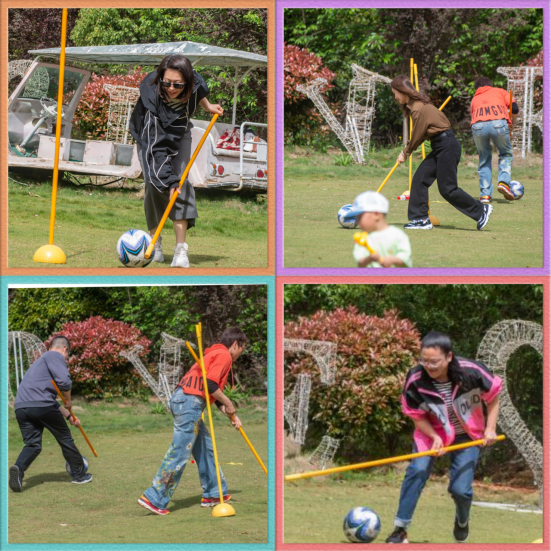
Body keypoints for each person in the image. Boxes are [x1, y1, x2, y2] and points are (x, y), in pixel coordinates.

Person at [385, 331, 502, 544]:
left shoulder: (471, 371)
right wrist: (434, 436)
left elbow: (493, 397)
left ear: (449, 357)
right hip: (431, 433)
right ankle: (400, 529)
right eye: (424, 361)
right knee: (417, 470)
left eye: (434, 362)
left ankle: (462, 520)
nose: (428, 366)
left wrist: (490, 429)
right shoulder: (415, 379)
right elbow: (416, 416)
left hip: (468, 436)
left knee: (460, 490)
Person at [138, 327, 248, 515]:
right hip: (189, 404)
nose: (241, 353)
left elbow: (212, 394)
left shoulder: (213, 354)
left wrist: (231, 414)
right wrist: (229, 403)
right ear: (236, 344)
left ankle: (214, 493)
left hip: (186, 401)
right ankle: (155, 498)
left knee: (205, 448)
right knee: (180, 452)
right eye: (242, 349)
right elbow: (210, 384)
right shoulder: (224, 355)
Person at [129, 54, 224, 268]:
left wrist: (207, 106)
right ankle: (155, 243)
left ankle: (181, 249)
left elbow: (199, 89)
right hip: (150, 138)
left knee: (180, 185)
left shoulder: (193, 82)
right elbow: (156, 150)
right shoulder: (152, 101)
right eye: (167, 83)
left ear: (187, 82)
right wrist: (168, 180)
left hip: (180, 133)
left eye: (178, 85)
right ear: (160, 78)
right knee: (154, 183)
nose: (171, 88)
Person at [391, 75, 493, 231]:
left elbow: (417, 135)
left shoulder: (418, 108)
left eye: (395, 93)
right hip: (440, 146)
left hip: (447, 146)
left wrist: (405, 153)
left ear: (402, 90)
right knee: (420, 179)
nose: (395, 97)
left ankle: (481, 210)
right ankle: (420, 219)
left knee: (447, 189)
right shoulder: (416, 106)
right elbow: (422, 133)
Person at [10, 336, 91, 492]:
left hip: (21, 407)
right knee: (65, 438)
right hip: (41, 405)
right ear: (65, 349)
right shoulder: (54, 355)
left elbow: (50, 400)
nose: (65, 359)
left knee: (33, 445)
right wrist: (69, 401)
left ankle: (18, 469)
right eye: (67, 356)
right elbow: (65, 382)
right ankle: (79, 475)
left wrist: (69, 417)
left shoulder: (39, 364)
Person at [470, 76, 519, 203]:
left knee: (484, 158)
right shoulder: (500, 91)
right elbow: (514, 109)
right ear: (490, 85)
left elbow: (474, 117)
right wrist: (511, 126)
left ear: (477, 88)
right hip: (499, 124)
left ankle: (485, 195)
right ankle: (503, 182)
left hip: (478, 126)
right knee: (505, 154)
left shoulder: (475, 98)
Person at [348, 191, 412, 268]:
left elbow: (405, 258)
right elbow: (360, 262)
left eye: (360, 217)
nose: (357, 222)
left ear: (376, 214)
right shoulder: (362, 238)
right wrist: (369, 259)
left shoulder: (397, 235)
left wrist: (391, 260)